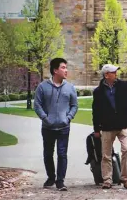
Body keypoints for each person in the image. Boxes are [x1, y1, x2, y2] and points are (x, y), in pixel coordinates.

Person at [33, 58, 78, 191]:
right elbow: (37, 105)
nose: (66, 70)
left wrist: (68, 118)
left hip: (64, 127)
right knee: (48, 153)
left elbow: (74, 105)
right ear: (55, 70)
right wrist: (45, 118)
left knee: (62, 154)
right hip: (48, 127)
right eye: (63, 67)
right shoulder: (42, 87)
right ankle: (51, 177)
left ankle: (60, 181)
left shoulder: (70, 87)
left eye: (66, 67)